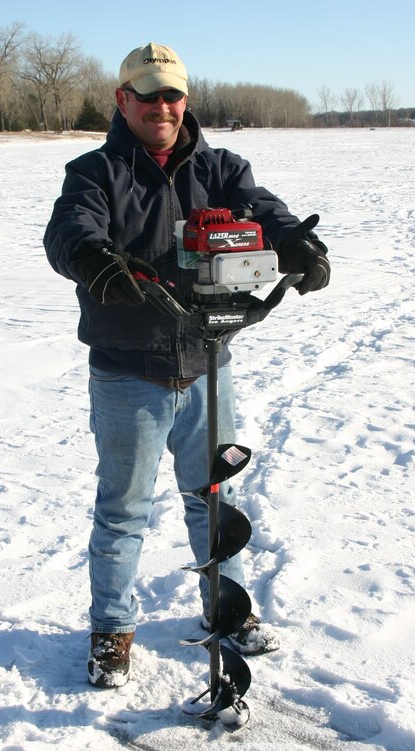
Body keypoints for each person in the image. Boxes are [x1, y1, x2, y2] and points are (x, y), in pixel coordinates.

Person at [44, 42, 330, 689]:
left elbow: (264, 212)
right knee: (124, 510)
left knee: (213, 498)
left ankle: (224, 611)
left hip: (207, 364)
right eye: (146, 95)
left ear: (185, 98)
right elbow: (70, 229)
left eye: (171, 93)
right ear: (124, 100)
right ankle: (112, 632)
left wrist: (295, 243)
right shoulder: (96, 172)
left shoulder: (222, 167)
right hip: (128, 371)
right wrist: (93, 262)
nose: (161, 106)